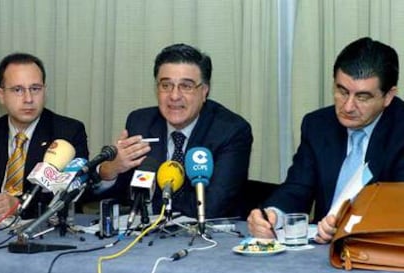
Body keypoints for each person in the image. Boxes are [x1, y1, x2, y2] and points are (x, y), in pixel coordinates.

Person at [247, 37, 404, 243]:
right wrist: (272, 215)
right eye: (342, 91)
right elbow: (298, 188)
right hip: (321, 253)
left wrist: (349, 227)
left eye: (363, 97)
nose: (348, 106)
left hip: (379, 251)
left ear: (388, 96)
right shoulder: (318, 125)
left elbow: (396, 206)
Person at [99, 43, 253, 219]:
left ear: (204, 91)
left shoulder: (231, 131)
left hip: (209, 239)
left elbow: (211, 205)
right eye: (166, 85)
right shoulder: (140, 122)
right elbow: (121, 194)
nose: (174, 96)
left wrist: (151, 201)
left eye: (186, 86)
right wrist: (110, 170)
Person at [0, 53, 89, 219]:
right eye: (18, 90)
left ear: (45, 91)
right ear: (1, 95)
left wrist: (18, 205)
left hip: (43, 231)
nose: (28, 99)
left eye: (35, 89)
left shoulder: (68, 132)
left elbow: (71, 194)